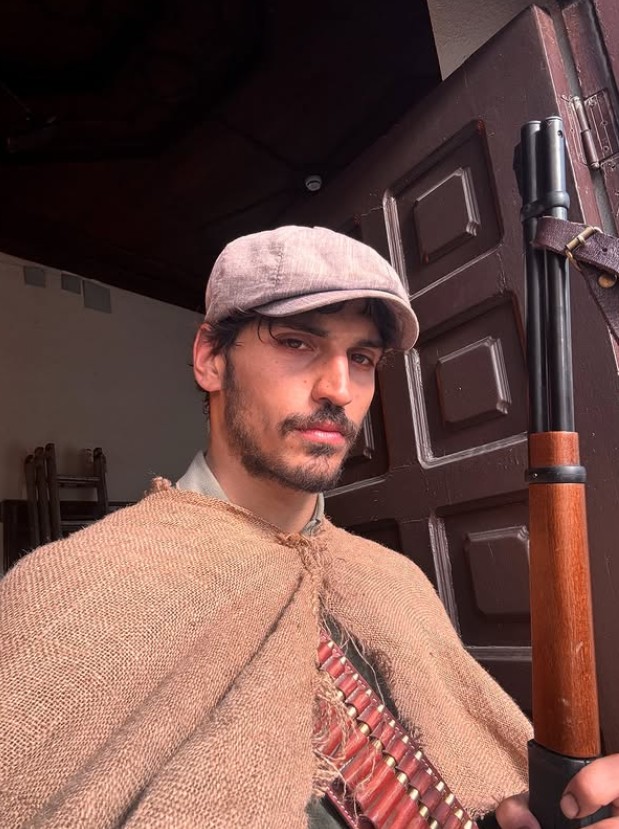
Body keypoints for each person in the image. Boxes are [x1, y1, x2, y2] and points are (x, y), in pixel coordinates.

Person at [0, 226, 617, 828]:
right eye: (297, 342)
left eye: (362, 358)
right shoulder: (68, 589)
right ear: (210, 358)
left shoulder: (395, 579)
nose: (339, 389)